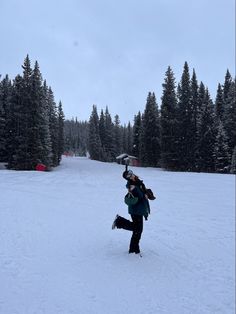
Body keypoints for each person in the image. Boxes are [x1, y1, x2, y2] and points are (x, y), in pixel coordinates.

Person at [112, 170, 150, 255]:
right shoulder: (131, 185)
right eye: (129, 176)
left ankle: (134, 249)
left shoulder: (138, 182)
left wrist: (147, 193)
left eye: (131, 174)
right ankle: (119, 221)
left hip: (140, 209)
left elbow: (142, 192)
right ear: (127, 178)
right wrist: (143, 194)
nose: (131, 176)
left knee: (138, 230)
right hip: (136, 210)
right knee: (137, 229)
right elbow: (139, 196)